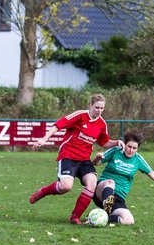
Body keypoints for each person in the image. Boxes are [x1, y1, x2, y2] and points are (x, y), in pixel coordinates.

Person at [29, 94, 125, 225]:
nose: (99, 111)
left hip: (84, 159)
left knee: (92, 183)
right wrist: (44, 139)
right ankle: (43, 191)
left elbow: (104, 142)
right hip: (68, 155)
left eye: (102, 108)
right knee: (66, 187)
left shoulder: (102, 124)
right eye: (97, 107)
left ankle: (75, 217)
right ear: (90, 105)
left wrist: (116, 142)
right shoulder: (80, 116)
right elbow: (57, 125)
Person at [92, 131, 154, 225]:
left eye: (134, 148)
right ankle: (106, 213)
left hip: (118, 198)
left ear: (137, 148)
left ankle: (100, 217)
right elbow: (95, 163)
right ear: (124, 144)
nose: (131, 150)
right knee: (110, 182)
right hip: (102, 191)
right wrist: (98, 158)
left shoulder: (138, 159)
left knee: (128, 220)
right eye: (129, 146)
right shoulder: (115, 151)